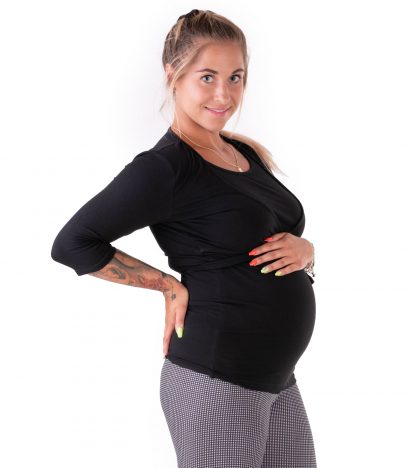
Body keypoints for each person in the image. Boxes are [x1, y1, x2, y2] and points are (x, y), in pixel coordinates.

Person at [51, 8, 318, 468]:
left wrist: (307, 252)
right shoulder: (165, 168)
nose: (224, 94)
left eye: (235, 77)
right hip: (218, 380)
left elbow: (271, 237)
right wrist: (166, 285)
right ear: (173, 74)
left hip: (277, 380)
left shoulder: (243, 152)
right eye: (207, 77)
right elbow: (73, 242)